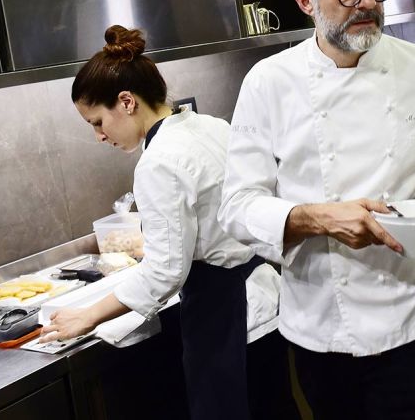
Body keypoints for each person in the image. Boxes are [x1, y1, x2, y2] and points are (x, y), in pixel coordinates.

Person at [218, 0, 415, 420]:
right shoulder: (268, 83)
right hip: (321, 327)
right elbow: (237, 207)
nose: (366, 1)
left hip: (414, 317)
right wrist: (321, 218)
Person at [41, 25, 299, 420]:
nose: (99, 136)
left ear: (126, 101)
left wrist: (88, 314)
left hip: (226, 316)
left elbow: (165, 272)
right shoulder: (209, 125)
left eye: (97, 121)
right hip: (263, 300)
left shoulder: (158, 162)